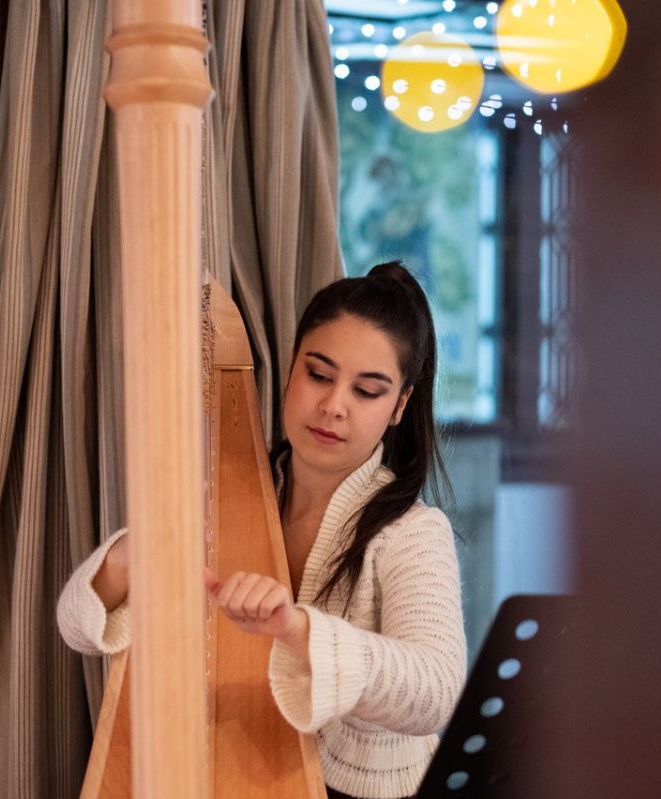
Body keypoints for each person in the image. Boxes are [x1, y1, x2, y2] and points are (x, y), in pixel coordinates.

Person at [57, 261, 466, 799]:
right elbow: (75, 627)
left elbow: (436, 690)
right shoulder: (225, 495)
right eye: (318, 374)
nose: (333, 406)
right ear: (291, 368)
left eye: (367, 391)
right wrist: (128, 560)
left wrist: (296, 629)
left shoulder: (412, 532)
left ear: (400, 406)